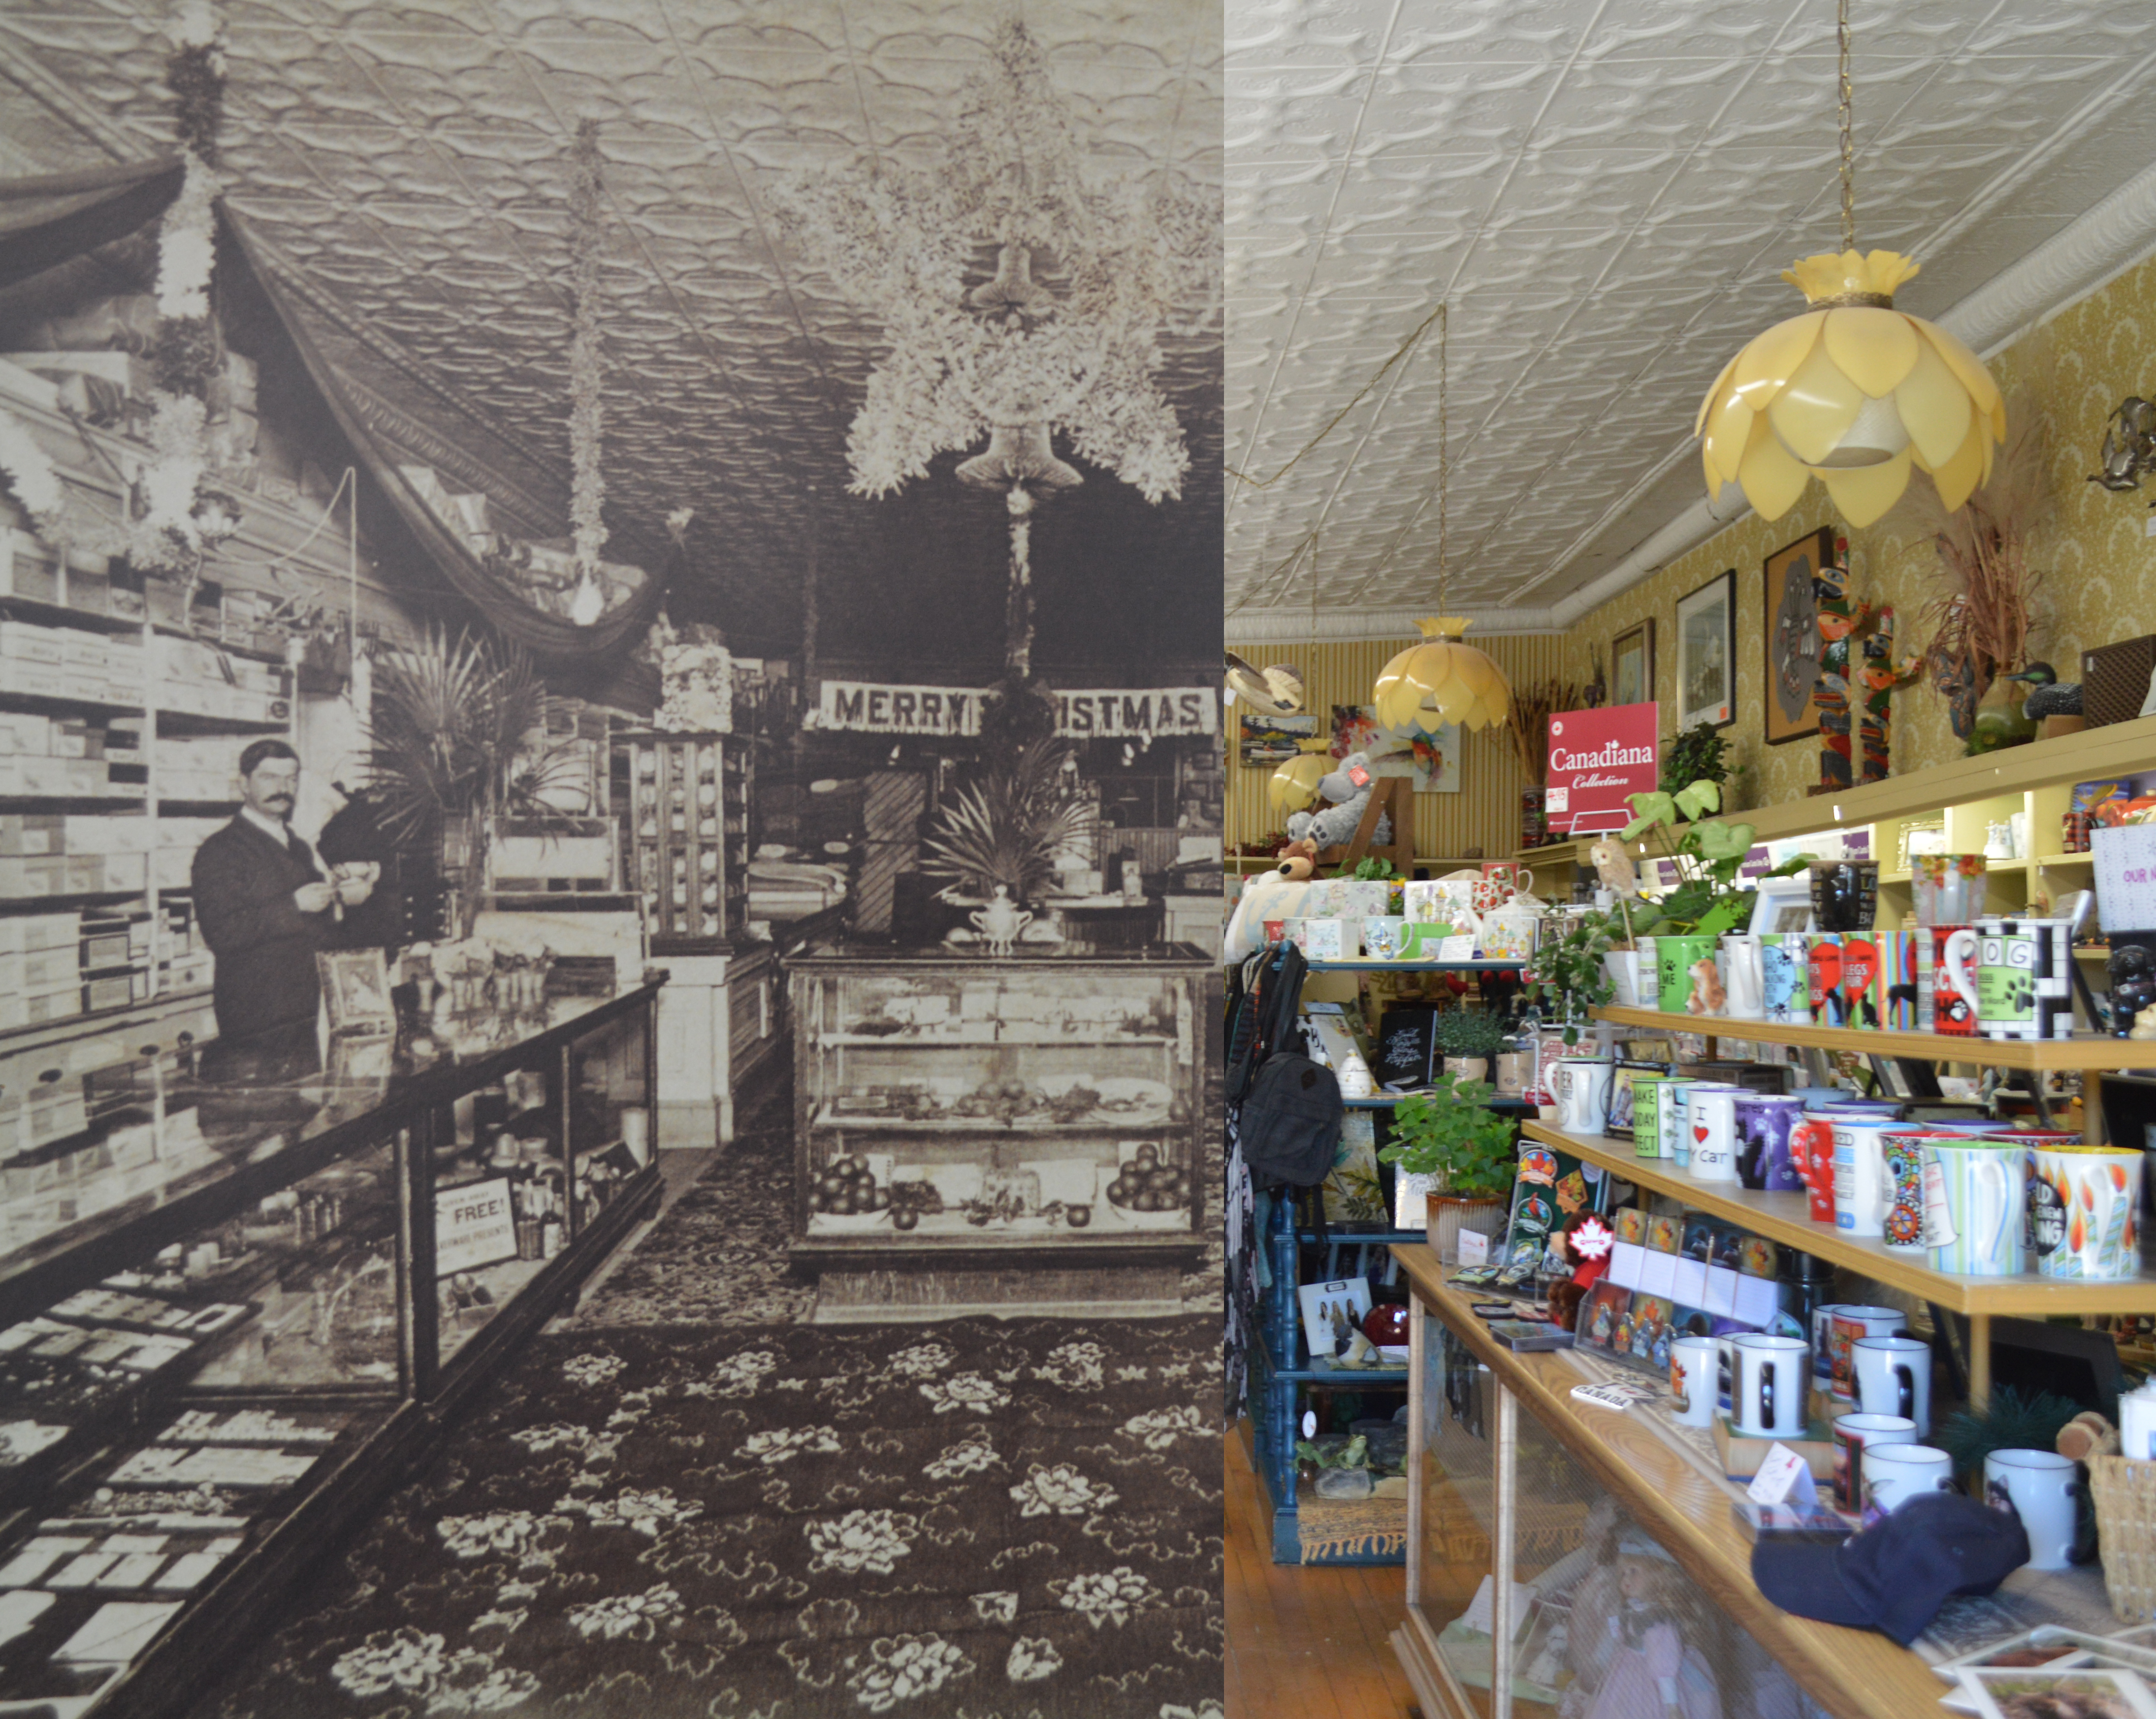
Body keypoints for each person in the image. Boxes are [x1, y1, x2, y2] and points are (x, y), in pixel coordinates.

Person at [191, 739, 373, 1067]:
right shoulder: (220, 851)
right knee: (272, 1113)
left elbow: (319, 925)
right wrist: (294, 905)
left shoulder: (298, 845)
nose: (283, 788)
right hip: (255, 1015)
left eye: (290, 779)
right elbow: (222, 932)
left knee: (305, 1112)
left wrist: (340, 898)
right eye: (270, 778)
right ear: (244, 784)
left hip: (305, 1010)